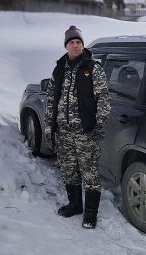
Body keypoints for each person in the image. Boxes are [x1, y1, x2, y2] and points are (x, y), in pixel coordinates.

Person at [44, 25, 111, 229]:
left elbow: (103, 98)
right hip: (63, 132)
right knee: (68, 170)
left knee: (90, 173)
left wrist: (100, 124)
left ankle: (90, 213)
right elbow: (50, 100)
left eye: (78, 42)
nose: (75, 45)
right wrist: (49, 127)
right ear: (66, 46)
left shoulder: (92, 68)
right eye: (72, 42)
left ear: (82, 45)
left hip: (86, 132)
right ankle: (75, 205)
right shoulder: (59, 70)